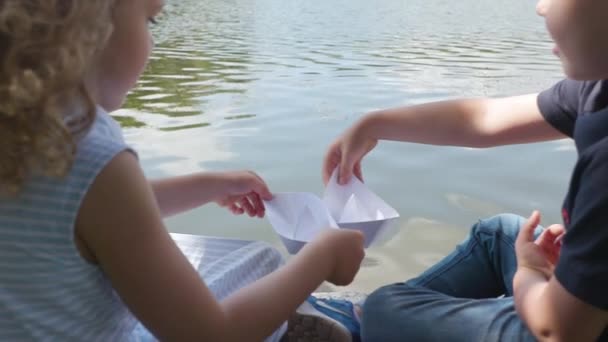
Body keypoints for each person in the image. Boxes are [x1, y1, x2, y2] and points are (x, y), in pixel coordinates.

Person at [0, 1, 366, 341]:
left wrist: (208, 185)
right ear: (88, 24)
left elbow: (87, 215)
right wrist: (323, 255)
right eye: (149, 19)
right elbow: (210, 335)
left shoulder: (23, 127)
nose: (153, 44)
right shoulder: (86, 148)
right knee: (262, 262)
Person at [322, 0, 608, 340]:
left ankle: (375, 320)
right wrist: (371, 125)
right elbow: (484, 121)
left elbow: (560, 330)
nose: (540, 7)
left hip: (572, 323)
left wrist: (530, 272)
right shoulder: (598, 87)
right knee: (497, 234)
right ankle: (380, 320)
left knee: (384, 307)